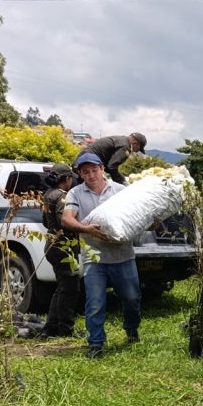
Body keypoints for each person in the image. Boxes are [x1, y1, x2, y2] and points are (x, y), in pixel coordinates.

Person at [61, 152, 142, 358]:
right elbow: (67, 219)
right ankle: (96, 343)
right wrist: (86, 229)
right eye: (85, 172)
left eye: (94, 170)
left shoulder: (120, 190)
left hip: (123, 256)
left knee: (132, 299)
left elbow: (134, 214)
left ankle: (131, 329)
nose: (91, 175)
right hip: (94, 258)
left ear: (102, 169)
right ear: (80, 174)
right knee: (95, 303)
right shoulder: (75, 193)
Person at [39, 162, 80, 338]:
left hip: (52, 245)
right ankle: (65, 330)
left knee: (62, 288)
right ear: (67, 178)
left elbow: (45, 222)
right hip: (63, 246)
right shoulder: (63, 197)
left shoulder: (48, 194)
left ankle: (50, 328)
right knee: (70, 289)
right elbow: (65, 222)